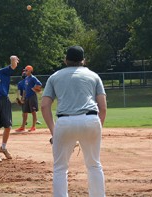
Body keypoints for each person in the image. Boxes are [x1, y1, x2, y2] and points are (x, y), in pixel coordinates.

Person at [41, 46, 107, 197]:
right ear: (83, 60)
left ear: (65, 60)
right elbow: (103, 107)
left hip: (65, 122)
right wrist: (97, 129)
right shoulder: (94, 76)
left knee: (60, 168)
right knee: (94, 165)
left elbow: (45, 105)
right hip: (91, 119)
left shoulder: (55, 76)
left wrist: (54, 131)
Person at [15, 65, 42, 132]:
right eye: (25, 70)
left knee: (33, 111)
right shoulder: (26, 78)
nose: (25, 71)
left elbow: (39, 84)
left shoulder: (33, 78)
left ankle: (33, 126)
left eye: (26, 70)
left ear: (30, 71)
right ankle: (23, 127)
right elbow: (24, 89)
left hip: (32, 96)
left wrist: (35, 89)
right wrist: (23, 98)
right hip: (26, 97)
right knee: (24, 112)